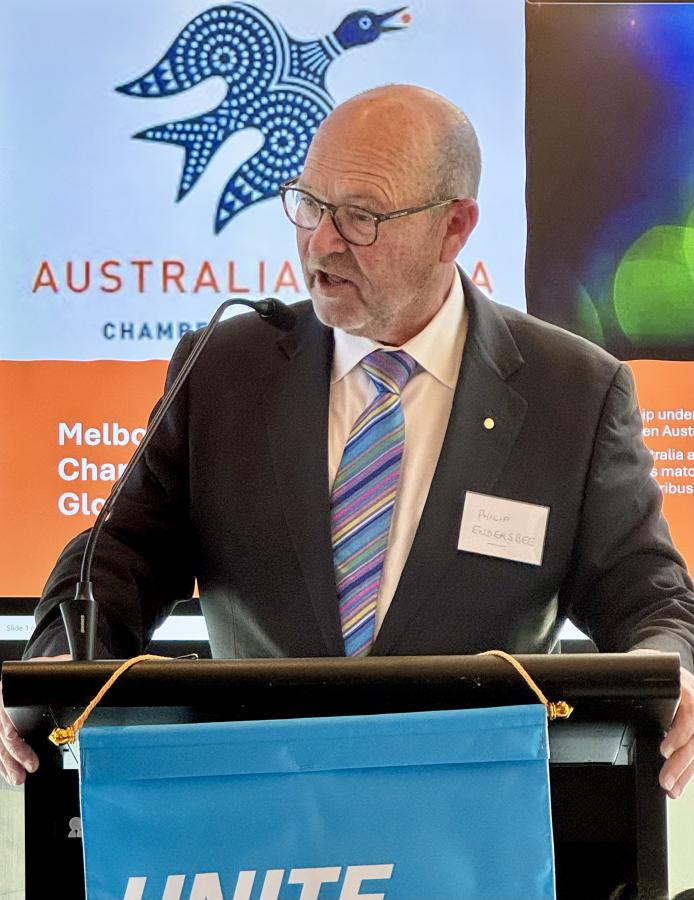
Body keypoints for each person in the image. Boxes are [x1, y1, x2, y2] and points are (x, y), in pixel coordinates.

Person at [2, 85, 694, 796]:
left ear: (454, 228)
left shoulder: (572, 393)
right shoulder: (223, 369)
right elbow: (121, 554)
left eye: (362, 216)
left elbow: (646, 593)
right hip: (254, 810)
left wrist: (673, 669)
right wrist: (57, 663)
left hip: (473, 818)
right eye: (309, 204)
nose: (322, 242)